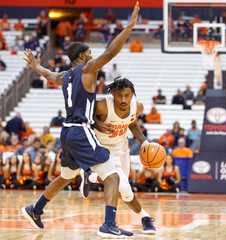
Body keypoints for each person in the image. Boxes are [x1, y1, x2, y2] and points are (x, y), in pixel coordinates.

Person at [21, 3, 139, 238]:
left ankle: (35, 209)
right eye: (88, 52)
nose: (92, 55)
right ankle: (108, 224)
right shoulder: (87, 70)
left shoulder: (65, 77)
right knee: (113, 175)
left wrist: (35, 65)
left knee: (66, 176)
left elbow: (49, 75)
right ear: (81, 56)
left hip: (66, 132)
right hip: (80, 131)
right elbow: (111, 52)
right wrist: (129, 27)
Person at [86, 79, 156, 234]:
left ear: (132, 95)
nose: (123, 99)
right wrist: (97, 124)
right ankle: (145, 217)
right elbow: (84, 118)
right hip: (103, 149)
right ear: (113, 95)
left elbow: (132, 123)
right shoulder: (102, 105)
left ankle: (90, 178)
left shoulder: (137, 107)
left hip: (122, 149)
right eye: (119, 95)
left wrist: (145, 143)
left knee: (124, 191)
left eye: (126, 95)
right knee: (122, 185)